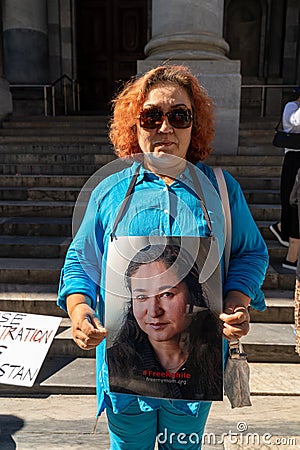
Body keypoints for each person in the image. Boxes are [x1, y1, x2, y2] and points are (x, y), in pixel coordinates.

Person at [57, 64, 269, 449]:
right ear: (134, 125)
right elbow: (81, 262)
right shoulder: (109, 191)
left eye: (179, 115)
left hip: (194, 367)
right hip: (125, 370)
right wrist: (79, 312)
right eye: (152, 116)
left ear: (194, 124)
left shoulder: (221, 189)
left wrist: (237, 303)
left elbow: (249, 254)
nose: (165, 127)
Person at [107, 242, 223, 401]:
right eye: (141, 297)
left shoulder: (215, 360)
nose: (154, 312)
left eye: (166, 294)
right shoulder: (117, 362)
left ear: (192, 294)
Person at [270, 85, 300, 270]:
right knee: (291, 197)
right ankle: (285, 230)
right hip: (294, 156)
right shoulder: (291, 106)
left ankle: (283, 228)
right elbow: (294, 122)